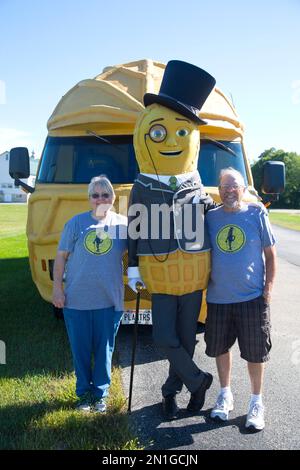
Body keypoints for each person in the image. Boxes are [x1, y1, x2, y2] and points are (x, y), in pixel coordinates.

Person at [127, 60, 217, 420]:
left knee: (185, 338)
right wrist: (132, 265)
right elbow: (135, 228)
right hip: (160, 274)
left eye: (182, 133)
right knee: (164, 336)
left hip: (193, 276)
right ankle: (198, 380)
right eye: (161, 133)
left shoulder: (198, 187)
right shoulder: (141, 186)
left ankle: (170, 393)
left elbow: (214, 219)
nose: (171, 140)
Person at [204, 167, 276, 431]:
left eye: (234, 186)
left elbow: (270, 254)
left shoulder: (257, 212)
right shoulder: (210, 217)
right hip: (218, 298)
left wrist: (268, 289)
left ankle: (256, 402)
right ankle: (225, 395)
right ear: (219, 191)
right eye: (224, 187)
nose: (229, 191)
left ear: (244, 190)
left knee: (255, 353)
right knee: (220, 348)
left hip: (252, 298)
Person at [52, 175, 127, 412]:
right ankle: (83, 394)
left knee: (105, 350)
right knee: (81, 351)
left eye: (105, 194)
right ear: (89, 199)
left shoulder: (122, 225)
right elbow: (61, 258)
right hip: (77, 301)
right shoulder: (76, 223)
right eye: (95, 195)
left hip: (109, 300)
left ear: (113, 198)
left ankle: (100, 394)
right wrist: (57, 289)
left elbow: (140, 251)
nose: (100, 199)